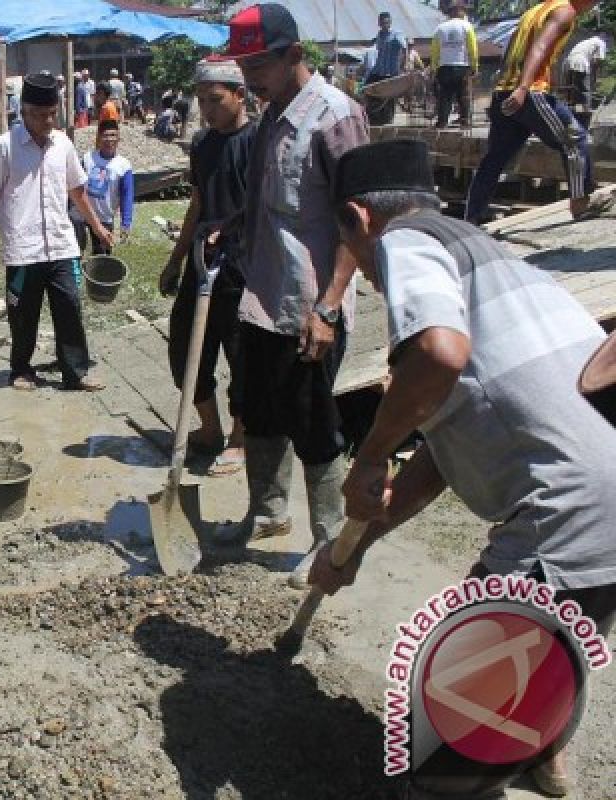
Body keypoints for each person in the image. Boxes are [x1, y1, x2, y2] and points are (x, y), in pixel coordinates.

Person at [313, 137, 616, 800]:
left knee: (446, 736)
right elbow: (443, 456)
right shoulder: (498, 260)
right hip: (607, 498)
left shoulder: (408, 242)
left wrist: (367, 454)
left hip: (566, 506)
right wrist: (356, 545)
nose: (362, 270)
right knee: (562, 630)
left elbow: (439, 355)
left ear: (362, 219)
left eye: (351, 249)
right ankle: (541, 755)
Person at [213, 4, 370, 590]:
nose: (249, 75)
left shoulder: (334, 116)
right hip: (261, 291)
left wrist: (328, 306)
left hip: (308, 302)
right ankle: (266, 512)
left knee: (313, 422)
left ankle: (328, 542)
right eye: (243, 63)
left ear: (294, 56)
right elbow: (271, 207)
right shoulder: (271, 115)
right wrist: (228, 226)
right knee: (256, 406)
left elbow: (356, 221)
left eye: (259, 62)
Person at [0, 72, 112, 392]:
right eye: (40, 115)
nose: (47, 120)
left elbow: (77, 192)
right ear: (23, 112)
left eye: (52, 114)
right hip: (23, 247)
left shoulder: (64, 144)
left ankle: (75, 371)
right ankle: (21, 369)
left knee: (69, 305)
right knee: (23, 312)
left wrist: (97, 227)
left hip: (61, 243)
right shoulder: (5, 146)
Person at [159, 61, 256, 471]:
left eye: (214, 100)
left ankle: (240, 436)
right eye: (201, 102)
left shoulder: (259, 141)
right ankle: (210, 428)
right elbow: (197, 204)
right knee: (185, 346)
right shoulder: (202, 144)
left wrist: (230, 229)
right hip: (204, 260)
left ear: (239, 95)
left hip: (243, 266)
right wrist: (176, 260)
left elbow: (263, 206)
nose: (206, 110)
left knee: (240, 354)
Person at [465, 0, 604, 224]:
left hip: (504, 91)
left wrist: (508, 86)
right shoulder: (564, 11)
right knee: (575, 139)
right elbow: (539, 47)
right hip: (529, 93)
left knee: (495, 158)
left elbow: (511, 49)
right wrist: (522, 88)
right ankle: (580, 205)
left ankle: (472, 217)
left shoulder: (536, 10)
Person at [69, 119, 134, 256]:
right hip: (84, 213)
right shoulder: (88, 159)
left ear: (118, 138)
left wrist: (126, 223)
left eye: (113, 135)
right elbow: (76, 185)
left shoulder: (123, 166)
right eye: (105, 135)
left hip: (105, 217)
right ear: (98, 137)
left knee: (103, 255)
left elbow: (127, 196)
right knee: (75, 247)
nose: (109, 139)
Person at [430, 1, 478, 129]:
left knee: (445, 95)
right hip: (462, 66)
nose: (464, 13)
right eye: (463, 10)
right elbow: (472, 48)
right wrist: (474, 66)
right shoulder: (467, 26)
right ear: (458, 10)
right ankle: (465, 121)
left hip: (444, 67)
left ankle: (442, 122)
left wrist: (434, 67)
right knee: (464, 94)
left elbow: (435, 50)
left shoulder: (440, 28)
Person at [363, 11, 408, 124]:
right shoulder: (379, 35)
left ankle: (388, 118)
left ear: (390, 22)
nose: (384, 24)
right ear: (379, 23)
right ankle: (375, 116)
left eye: (386, 22)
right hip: (378, 70)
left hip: (391, 71)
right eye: (382, 22)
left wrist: (403, 64)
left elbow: (404, 48)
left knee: (389, 95)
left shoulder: (396, 34)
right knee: (369, 89)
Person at [565, 33, 607, 111]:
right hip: (580, 62)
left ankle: (572, 109)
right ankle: (585, 110)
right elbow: (598, 60)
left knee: (573, 87)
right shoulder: (601, 42)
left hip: (569, 61)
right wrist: (596, 77)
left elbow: (594, 60)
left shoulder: (588, 41)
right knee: (583, 87)